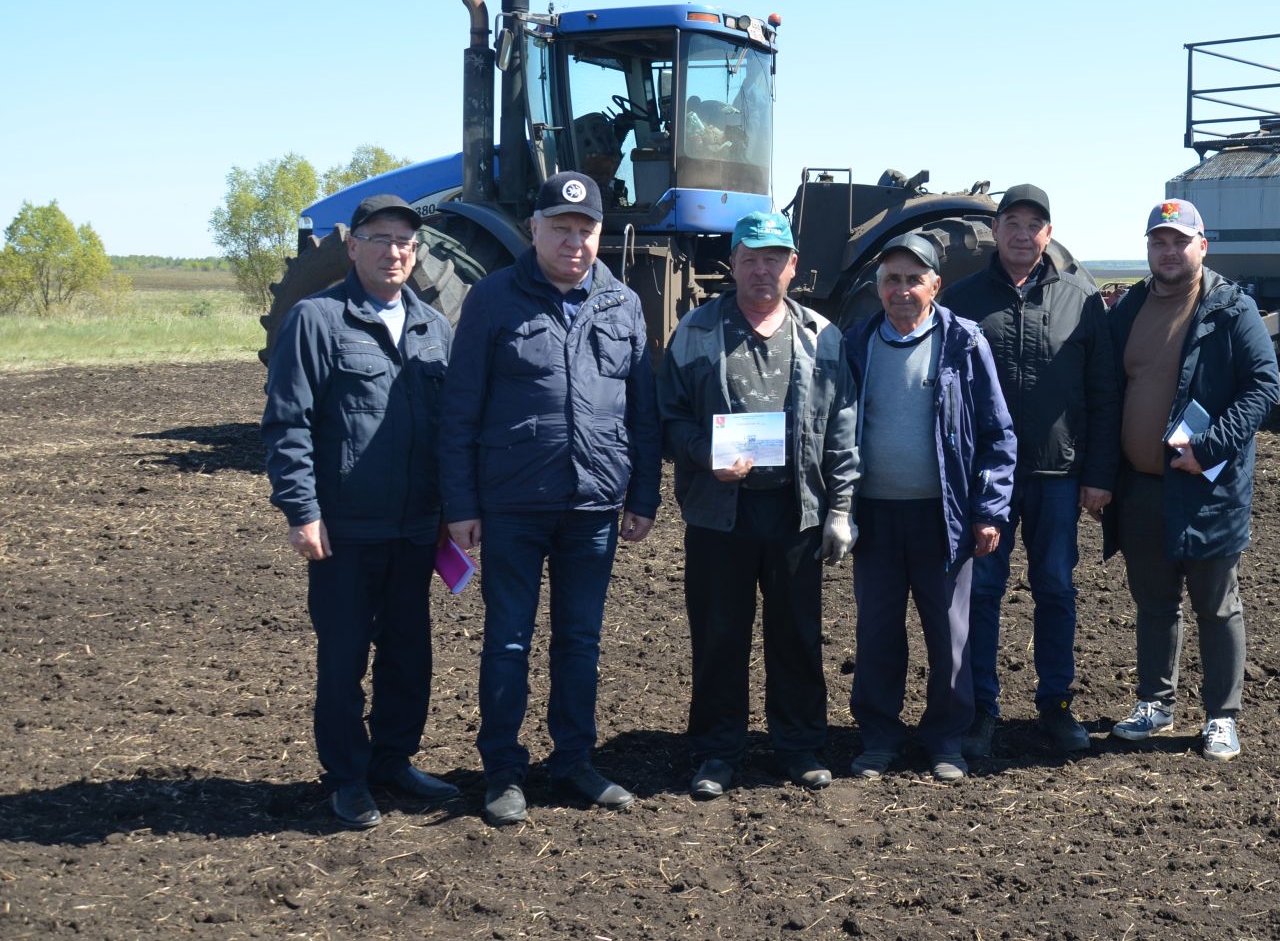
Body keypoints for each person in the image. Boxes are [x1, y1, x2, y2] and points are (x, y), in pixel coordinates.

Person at [440, 170, 663, 826]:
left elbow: (642, 412)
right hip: (512, 503)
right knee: (508, 642)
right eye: (560, 228)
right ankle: (503, 772)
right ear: (534, 228)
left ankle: (573, 761)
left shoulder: (622, 304)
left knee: (580, 642)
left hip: (593, 507)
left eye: (584, 230)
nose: (573, 241)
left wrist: (643, 493)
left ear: (600, 235)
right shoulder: (492, 299)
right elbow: (460, 412)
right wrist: (461, 504)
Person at [262, 194, 458, 829]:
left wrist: (453, 512)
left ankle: (393, 760)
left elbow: (450, 429)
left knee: (409, 652)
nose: (393, 251)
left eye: (405, 241)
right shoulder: (316, 321)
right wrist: (302, 510)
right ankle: (347, 777)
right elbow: (288, 424)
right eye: (379, 238)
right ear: (353, 246)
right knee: (344, 656)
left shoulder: (434, 327)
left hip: (414, 527)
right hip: (344, 528)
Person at [655, 210, 860, 800]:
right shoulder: (695, 331)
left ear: (792, 265)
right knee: (719, 633)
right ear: (734, 265)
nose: (762, 269)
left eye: (774, 257)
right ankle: (717, 752)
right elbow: (668, 418)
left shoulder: (822, 335)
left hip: (796, 511)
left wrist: (841, 508)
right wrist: (702, 455)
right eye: (751, 258)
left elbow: (842, 425)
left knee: (797, 633)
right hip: (720, 511)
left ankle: (798, 746)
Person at [943, 184, 1118, 757]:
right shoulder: (963, 301)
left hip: (1058, 474)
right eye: (1011, 222)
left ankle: (1056, 705)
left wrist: (1098, 472)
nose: (1022, 233)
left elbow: (1103, 390)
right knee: (984, 592)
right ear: (995, 231)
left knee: (1056, 589)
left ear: (1049, 233)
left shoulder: (1081, 299)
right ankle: (981, 711)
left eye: (1034, 224)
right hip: (986, 480)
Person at [1103, 199, 1279, 763]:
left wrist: (1208, 447)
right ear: (1148, 248)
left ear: (1202, 246)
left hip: (1207, 488)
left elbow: (1262, 388)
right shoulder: (1128, 308)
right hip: (1141, 488)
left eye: (1180, 241)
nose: (1169, 251)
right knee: (1154, 603)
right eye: (1159, 241)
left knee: (1216, 604)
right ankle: (1155, 703)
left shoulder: (1230, 308)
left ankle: (1221, 717)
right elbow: (1108, 393)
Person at [846, 232, 1017, 782]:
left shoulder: (964, 343)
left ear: (935, 286)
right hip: (874, 517)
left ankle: (945, 739)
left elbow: (997, 432)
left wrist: (990, 509)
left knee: (950, 636)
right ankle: (878, 736)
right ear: (878, 287)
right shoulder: (856, 343)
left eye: (913, 279)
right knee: (876, 633)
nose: (901, 290)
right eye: (891, 280)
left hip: (942, 518)